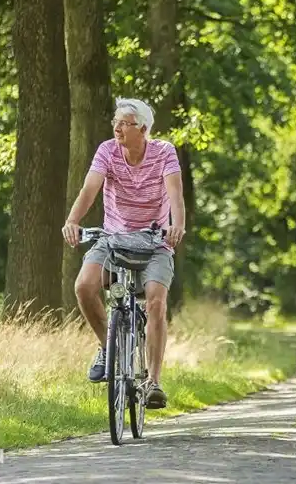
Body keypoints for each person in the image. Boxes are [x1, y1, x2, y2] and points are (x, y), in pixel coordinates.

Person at [61, 98, 186, 410]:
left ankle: (153, 382)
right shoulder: (107, 150)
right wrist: (73, 221)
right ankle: (108, 347)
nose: (117, 128)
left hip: (155, 242)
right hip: (113, 239)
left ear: (142, 128)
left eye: (124, 123)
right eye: (115, 122)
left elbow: (175, 192)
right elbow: (89, 189)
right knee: (84, 286)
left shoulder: (164, 152)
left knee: (156, 302)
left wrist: (177, 225)